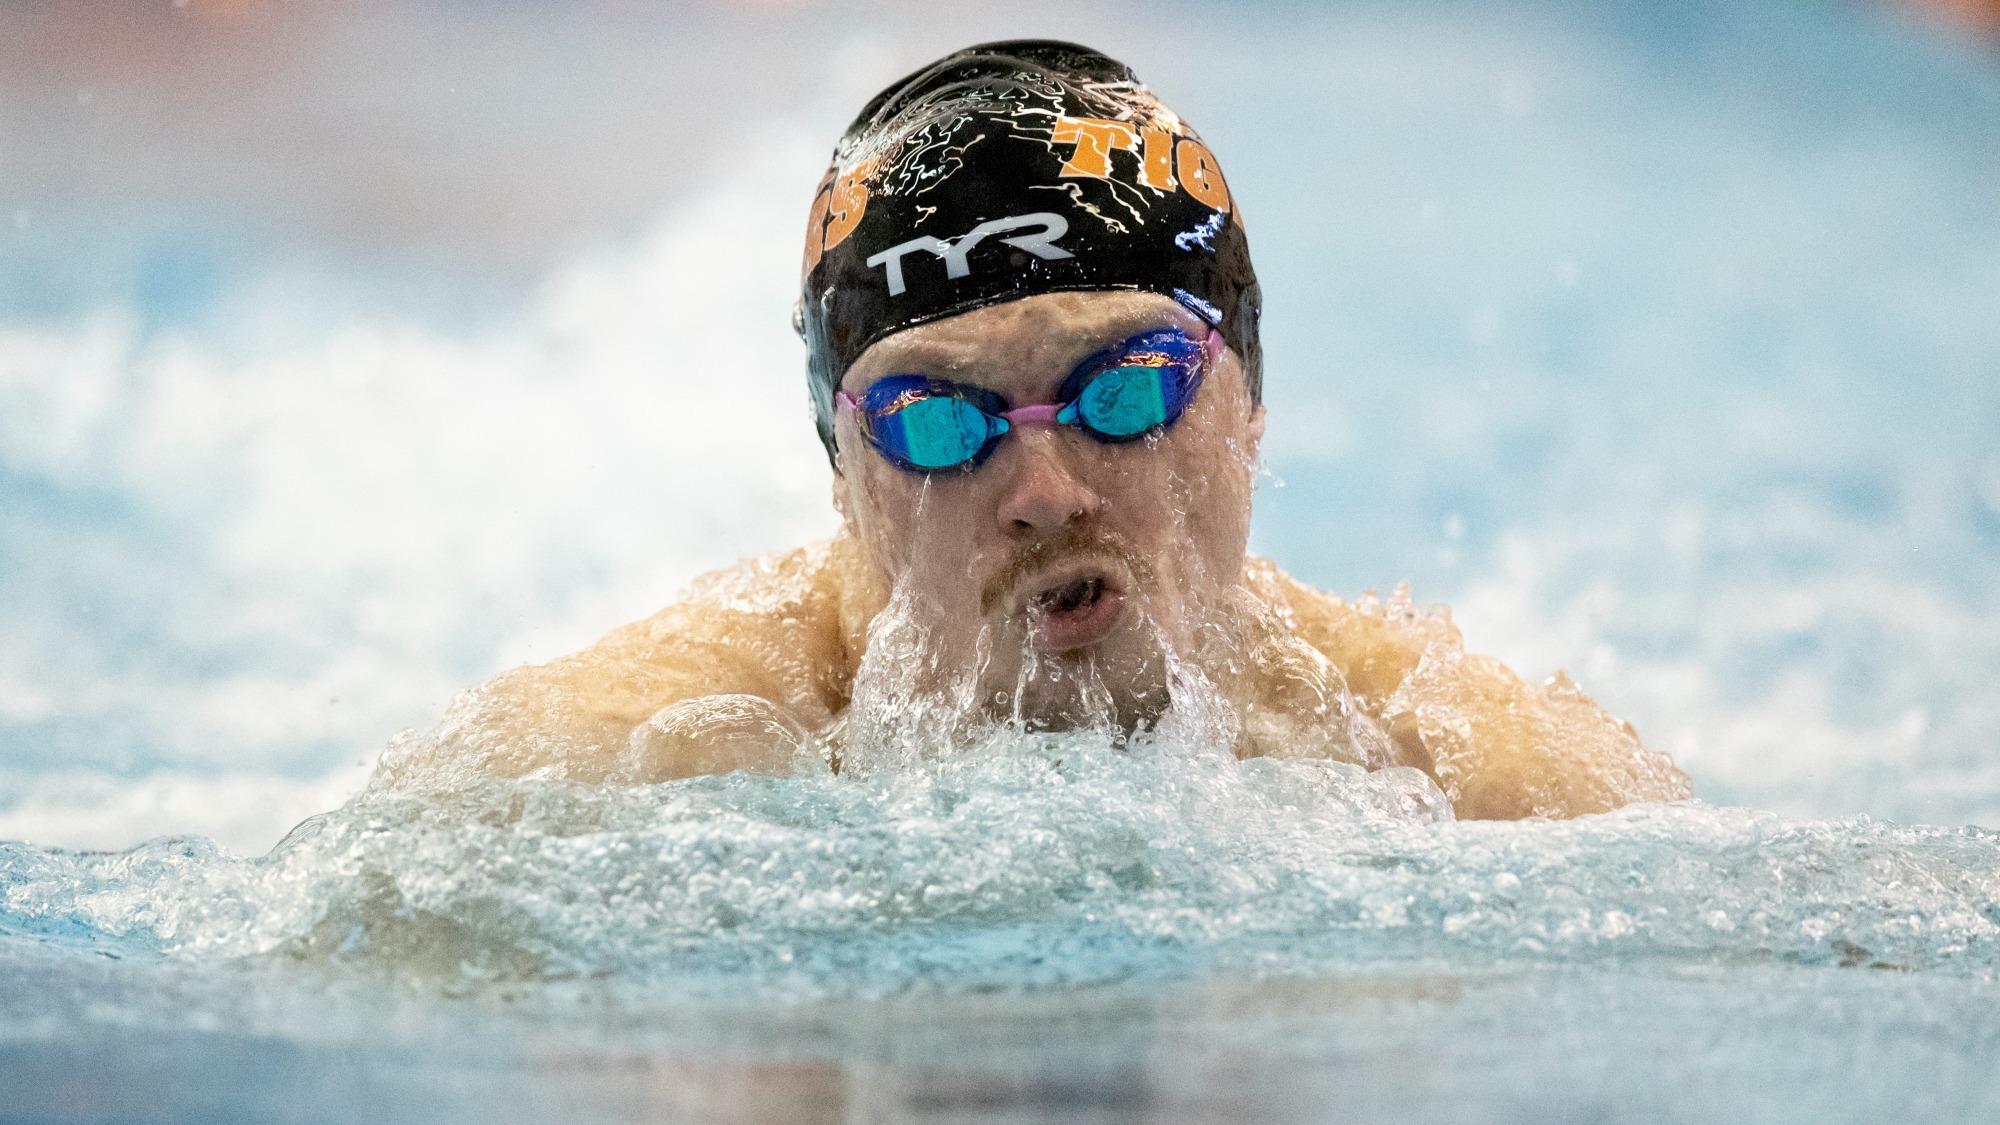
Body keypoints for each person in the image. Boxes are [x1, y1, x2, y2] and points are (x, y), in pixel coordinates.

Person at [382, 40, 1689, 819]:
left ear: (1252, 407)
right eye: (941, 423)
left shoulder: (1469, 766)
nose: (1048, 487)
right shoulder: (638, 760)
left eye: (1125, 390)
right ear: (846, 482)